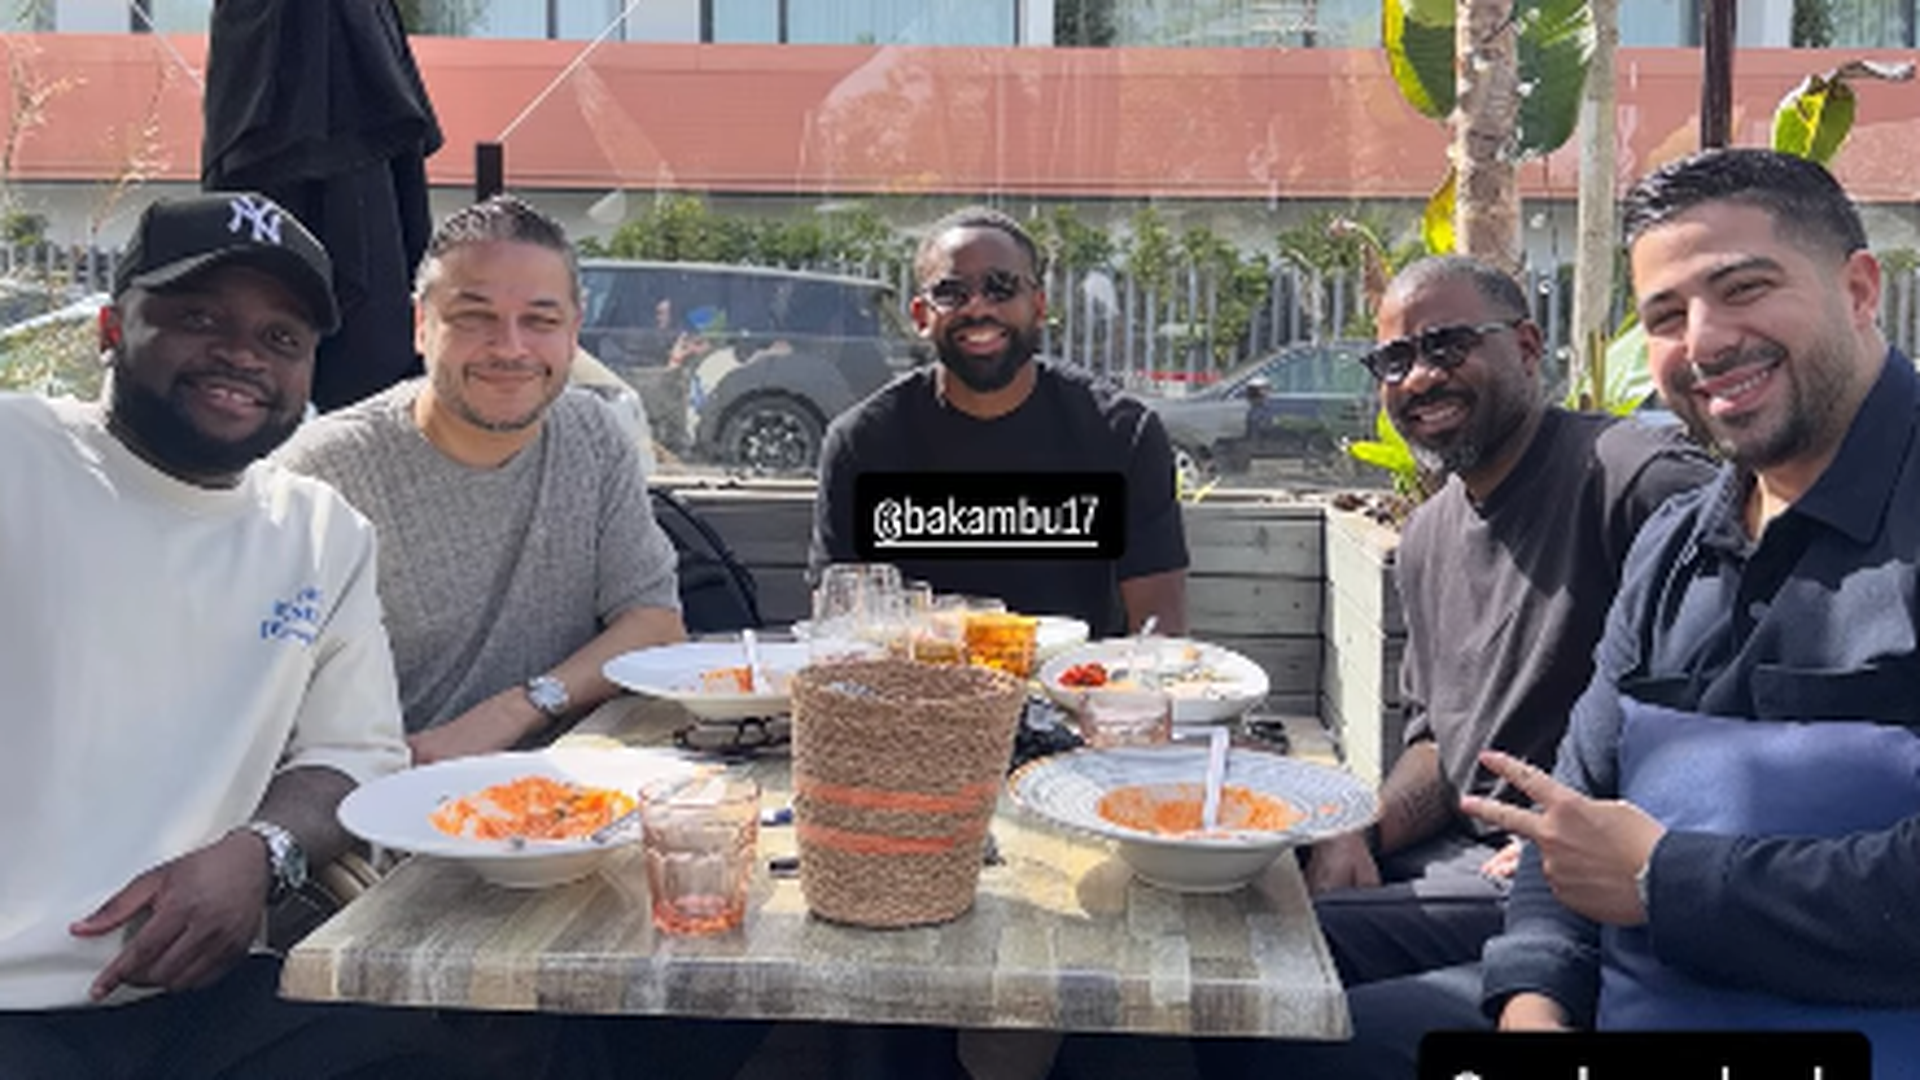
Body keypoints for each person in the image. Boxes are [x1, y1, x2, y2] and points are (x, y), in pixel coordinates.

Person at [1462, 148, 1920, 1075]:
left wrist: (1661, 879)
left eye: (1743, 289)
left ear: (1861, 290)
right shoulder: (1675, 544)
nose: (1704, 341)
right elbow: (1573, 818)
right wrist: (1534, 1017)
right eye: (1665, 316)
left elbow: (1621, 860)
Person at [0, 192, 471, 1077]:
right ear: (112, 324)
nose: (242, 355)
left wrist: (264, 852)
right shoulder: (16, 456)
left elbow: (357, 756)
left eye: (281, 339)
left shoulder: (322, 533)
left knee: (427, 1049)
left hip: (197, 997)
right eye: (199, 317)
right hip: (12, 1007)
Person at [1302, 256, 1713, 986]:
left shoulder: (1632, 479)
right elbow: (1441, 748)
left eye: (1445, 345)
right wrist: (1360, 828)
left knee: (1295, 948)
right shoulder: (1427, 537)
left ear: (1525, 347)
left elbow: (1744, 697)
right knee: (1259, 878)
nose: (1420, 377)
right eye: (1394, 360)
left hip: (1570, 882)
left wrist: (1619, 828)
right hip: (1456, 857)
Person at [277, 194, 686, 765]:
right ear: (422, 325)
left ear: (574, 332)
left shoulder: (593, 434)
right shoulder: (322, 472)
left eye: (540, 321)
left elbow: (656, 625)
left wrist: (516, 709)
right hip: (386, 810)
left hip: (568, 787)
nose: (510, 347)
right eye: (474, 317)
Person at [810, 206, 1189, 637]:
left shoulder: (1122, 434)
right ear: (920, 316)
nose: (978, 308)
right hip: (918, 695)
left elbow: (1160, 631)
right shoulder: (862, 443)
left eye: (1001, 287)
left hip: (1074, 693)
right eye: (952, 291)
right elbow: (841, 631)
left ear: (1039, 304)